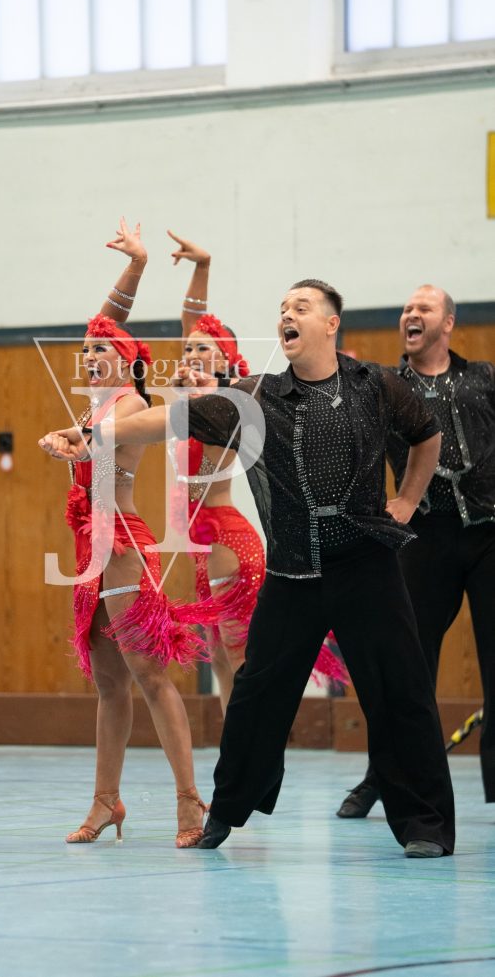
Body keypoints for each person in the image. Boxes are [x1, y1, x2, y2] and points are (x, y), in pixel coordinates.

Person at [41, 279, 456, 858]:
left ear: (330, 323)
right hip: (293, 574)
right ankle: (225, 813)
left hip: (367, 568)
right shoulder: (255, 395)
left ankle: (424, 825)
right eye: (283, 308)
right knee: (256, 696)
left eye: (301, 307)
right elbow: (166, 420)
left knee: (400, 693)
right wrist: (89, 433)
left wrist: (408, 499)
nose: (288, 314)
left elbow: (427, 435)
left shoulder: (376, 384)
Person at [39, 219, 211, 848]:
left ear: (129, 362)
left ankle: (190, 802)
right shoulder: (93, 407)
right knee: (109, 684)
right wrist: (135, 265)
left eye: (101, 351)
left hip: (122, 549)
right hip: (91, 549)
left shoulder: (132, 406)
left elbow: (99, 440)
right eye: (85, 352)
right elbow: (104, 323)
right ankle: (106, 800)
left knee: (150, 677)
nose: (90, 356)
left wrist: (72, 441)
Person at [167, 232, 346, 712]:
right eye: (187, 351)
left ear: (225, 360)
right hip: (203, 546)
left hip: (227, 539)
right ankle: (236, 749)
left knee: (241, 658)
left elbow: (209, 448)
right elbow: (193, 324)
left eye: (202, 350)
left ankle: (259, 741)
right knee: (220, 661)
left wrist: (198, 394)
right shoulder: (194, 398)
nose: (191, 356)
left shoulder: (228, 402)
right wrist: (202, 267)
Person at [337, 284, 495, 819]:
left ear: (447, 322)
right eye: (407, 308)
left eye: (423, 308)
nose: (411, 313)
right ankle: (383, 777)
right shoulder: (383, 385)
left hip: (489, 533)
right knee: (406, 666)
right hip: (423, 534)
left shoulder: (483, 377)